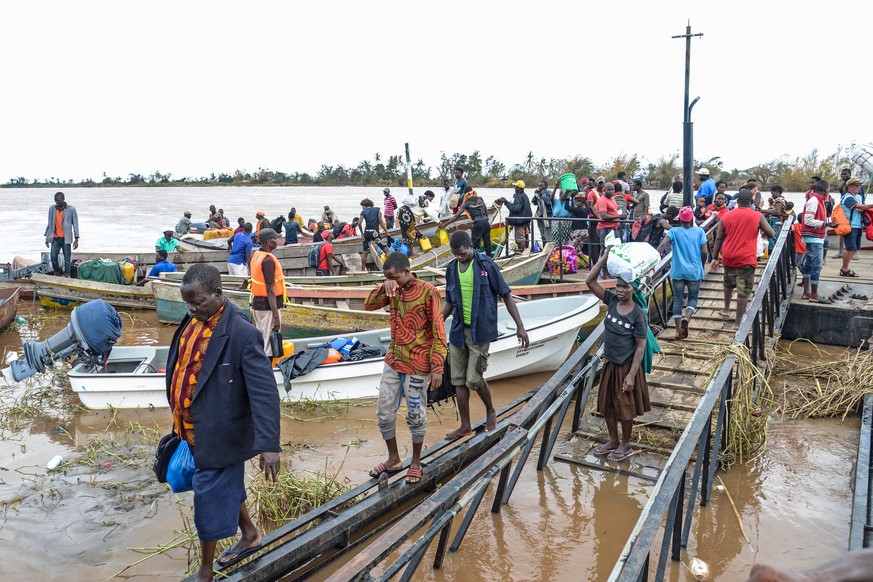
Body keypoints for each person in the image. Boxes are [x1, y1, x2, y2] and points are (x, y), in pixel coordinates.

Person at [167, 263, 281, 580]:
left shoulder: (242, 334)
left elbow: (264, 393)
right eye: (187, 303)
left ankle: (205, 571)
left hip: (222, 433)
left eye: (197, 302)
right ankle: (250, 534)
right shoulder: (192, 321)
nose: (191, 309)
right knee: (225, 487)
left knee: (208, 498)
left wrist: (269, 446)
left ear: (218, 294)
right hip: (191, 431)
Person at [363, 252, 447, 485]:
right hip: (394, 361)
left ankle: (416, 462)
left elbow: (439, 331)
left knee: (415, 414)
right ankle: (394, 459)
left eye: (394, 277)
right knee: (384, 412)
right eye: (387, 277)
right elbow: (368, 305)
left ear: (407, 271)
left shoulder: (428, 291)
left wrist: (437, 366)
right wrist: (383, 286)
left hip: (419, 364)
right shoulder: (392, 292)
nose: (392, 281)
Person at [442, 231, 529, 438]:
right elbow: (449, 300)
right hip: (457, 331)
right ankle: (465, 426)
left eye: (462, 253)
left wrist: (520, 326)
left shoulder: (486, 265)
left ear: (471, 246)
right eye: (455, 254)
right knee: (458, 380)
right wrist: (437, 321)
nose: (459, 257)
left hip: (480, 331)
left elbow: (506, 294)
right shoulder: (452, 268)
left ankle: (491, 410)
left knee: (473, 379)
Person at [585, 252, 651, 462]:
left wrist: (631, 375)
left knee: (625, 407)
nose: (621, 290)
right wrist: (604, 256)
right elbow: (590, 281)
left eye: (626, 287)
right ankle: (613, 440)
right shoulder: (611, 300)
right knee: (607, 404)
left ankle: (625, 443)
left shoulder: (638, 314)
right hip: (610, 364)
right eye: (618, 286)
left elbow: (640, 347)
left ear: (634, 289)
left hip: (627, 366)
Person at [710, 189, 775, 327]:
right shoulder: (757, 216)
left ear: (737, 202)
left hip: (728, 256)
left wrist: (715, 258)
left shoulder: (726, 216)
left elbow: (719, 238)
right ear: (751, 202)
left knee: (728, 282)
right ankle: (738, 323)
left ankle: (726, 309)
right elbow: (771, 233)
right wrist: (761, 231)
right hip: (746, 258)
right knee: (743, 290)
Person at [657, 207, 707, 339]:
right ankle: (687, 318)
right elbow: (705, 251)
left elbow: (662, 246)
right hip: (694, 270)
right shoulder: (699, 231)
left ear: (679, 218)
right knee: (693, 297)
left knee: (678, 299)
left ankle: (678, 330)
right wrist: (701, 266)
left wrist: (653, 260)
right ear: (691, 218)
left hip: (678, 271)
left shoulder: (674, 231)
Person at [249, 228, 285, 357]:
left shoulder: (257, 255)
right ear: (269, 242)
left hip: (258, 304)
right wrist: (276, 317)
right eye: (275, 239)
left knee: (261, 340)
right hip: (267, 307)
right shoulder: (268, 261)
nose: (277, 241)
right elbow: (270, 290)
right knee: (268, 345)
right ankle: (267, 372)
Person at [838, 178, 872, 276]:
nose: (859, 187)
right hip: (850, 225)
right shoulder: (847, 197)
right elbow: (860, 207)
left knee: (855, 247)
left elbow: (860, 207)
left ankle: (846, 267)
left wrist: (862, 208)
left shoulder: (859, 197)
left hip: (858, 225)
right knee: (849, 247)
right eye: (856, 185)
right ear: (849, 187)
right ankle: (844, 269)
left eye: (859, 185)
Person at [444, 188, 492, 256]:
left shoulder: (465, 203)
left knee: (474, 244)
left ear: (465, 194)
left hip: (477, 223)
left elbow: (455, 216)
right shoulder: (480, 199)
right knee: (487, 242)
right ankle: (489, 259)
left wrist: (445, 224)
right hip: (486, 222)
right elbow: (486, 211)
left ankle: (474, 260)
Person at [44, 191, 79, 277]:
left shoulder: (71, 209)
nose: (57, 202)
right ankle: (57, 273)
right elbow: (50, 223)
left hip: (65, 238)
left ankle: (67, 274)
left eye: (59, 200)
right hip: (55, 238)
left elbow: (75, 224)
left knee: (67, 259)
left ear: (63, 199)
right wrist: (47, 237)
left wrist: (76, 238)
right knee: (53, 257)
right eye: (55, 200)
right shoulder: (52, 209)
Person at [499, 180, 533, 253]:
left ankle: (520, 254)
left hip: (520, 221)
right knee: (525, 237)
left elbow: (516, 209)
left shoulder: (519, 197)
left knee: (520, 239)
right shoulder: (524, 195)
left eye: (515, 187)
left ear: (519, 188)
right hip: (525, 220)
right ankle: (526, 252)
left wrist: (506, 202)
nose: (514, 188)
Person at [358, 198, 390, 269]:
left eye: (362, 206)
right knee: (386, 250)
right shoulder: (377, 210)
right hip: (375, 233)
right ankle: (389, 268)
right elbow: (381, 222)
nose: (362, 208)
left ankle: (363, 270)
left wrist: (362, 233)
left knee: (365, 253)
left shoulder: (363, 212)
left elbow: (359, 223)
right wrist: (386, 232)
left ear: (364, 205)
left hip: (366, 233)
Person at [596, 182, 625, 251]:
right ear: (604, 190)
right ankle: (603, 262)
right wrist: (619, 216)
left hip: (613, 228)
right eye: (609, 190)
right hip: (605, 228)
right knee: (605, 249)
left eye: (612, 189)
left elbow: (613, 211)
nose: (611, 191)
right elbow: (604, 216)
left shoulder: (612, 198)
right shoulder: (603, 200)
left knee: (614, 249)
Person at [531, 179, 554, 246]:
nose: (540, 187)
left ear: (546, 186)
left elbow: (549, 203)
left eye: (541, 186)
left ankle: (550, 250)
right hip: (540, 217)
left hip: (547, 217)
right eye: (539, 186)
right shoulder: (539, 194)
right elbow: (534, 203)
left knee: (548, 236)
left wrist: (543, 195)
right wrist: (536, 195)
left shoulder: (549, 193)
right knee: (543, 236)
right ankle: (544, 249)